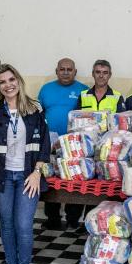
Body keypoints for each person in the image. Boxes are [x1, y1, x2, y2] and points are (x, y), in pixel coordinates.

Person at [0, 64, 51, 264]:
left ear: (18, 81)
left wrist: (36, 173)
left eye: (11, 80)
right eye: (2, 82)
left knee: (23, 224)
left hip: (27, 175)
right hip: (2, 176)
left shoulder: (35, 108)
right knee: (6, 225)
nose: (8, 85)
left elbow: (44, 145)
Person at [37, 57, 88, 230]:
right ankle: (53, 218)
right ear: (56, 70)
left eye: (69, 69)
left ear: (75, 72)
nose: (65, 72)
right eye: (62, 69)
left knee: (74, 180)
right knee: (51, 179)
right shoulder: (46, 89)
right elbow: (38, 114)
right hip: (50, 143)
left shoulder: (83, 90)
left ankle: (73, 219)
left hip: (74, 146)